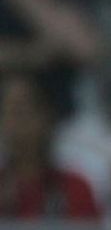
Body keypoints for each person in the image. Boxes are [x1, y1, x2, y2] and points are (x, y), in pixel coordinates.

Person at [0, 67, 95, 219]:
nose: (13, 123)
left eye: (20, 112)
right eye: (7, 112)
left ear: (47, 117)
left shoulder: (75, 188)